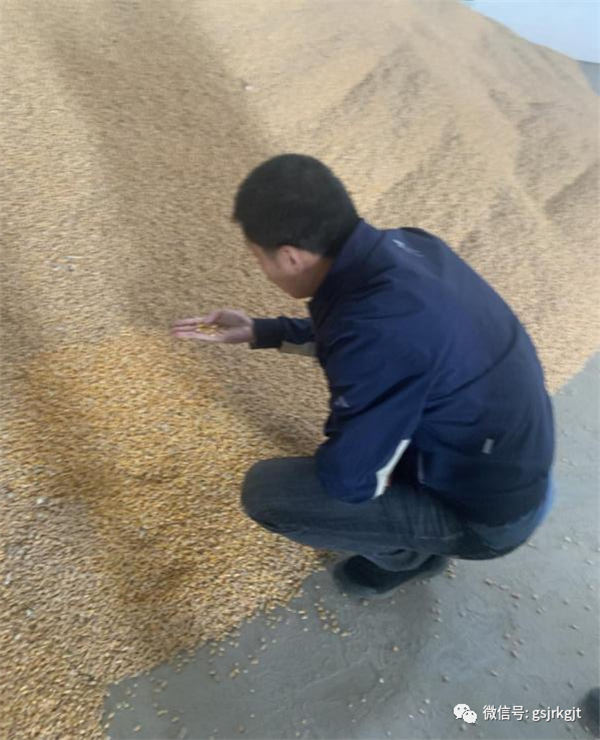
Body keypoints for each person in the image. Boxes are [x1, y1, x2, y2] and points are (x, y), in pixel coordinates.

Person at [171, 153, 556, 597]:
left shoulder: (377, 334)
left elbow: (350, 481)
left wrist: (353, 448)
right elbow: (367, 332)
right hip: (515, 463)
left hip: (488, 518)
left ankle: (410, 557)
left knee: (270, 494)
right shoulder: (409, 245)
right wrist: (264, 331)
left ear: (291, 257)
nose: (262, 268)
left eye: (259, 258)